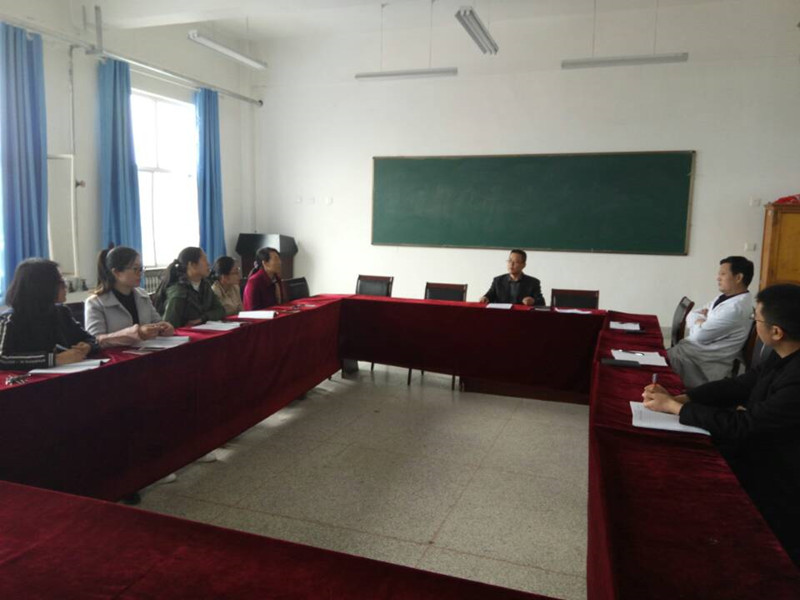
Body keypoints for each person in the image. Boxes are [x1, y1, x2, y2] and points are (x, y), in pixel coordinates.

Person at [642, 284, 800, 565]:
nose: (753, 324)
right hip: (758, 445)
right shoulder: (782, 354)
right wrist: (684, 397)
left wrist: (676, 408)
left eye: (756, 319)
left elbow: (745, 425)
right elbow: (740, 385)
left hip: (777, 477)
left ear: (777, 332)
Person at [667, 256, 754, 387]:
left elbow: (699, 335)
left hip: (699, 366)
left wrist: (701, 321)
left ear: (738, 277)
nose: (717, 278)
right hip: (688, 354)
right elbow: (692, 314)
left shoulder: (735, 308)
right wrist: (701, 322)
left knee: (645, 367)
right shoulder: (725, 297)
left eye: (723, 274)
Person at [0, 259, 100, 370]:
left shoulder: (61, 312)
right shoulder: (9, 319)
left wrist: (88, 346)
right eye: (60, 282)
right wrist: (54, 359)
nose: (65, 286)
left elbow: (90, 338)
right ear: (42, 287)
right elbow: (3, 358)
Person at [85, 246, 174, 346]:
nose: (140, 274)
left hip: (146, 350)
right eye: (135, 269)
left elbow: (157, 322)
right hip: (116, 354)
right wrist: (136, 333)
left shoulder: (142, 295)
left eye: (141, 269)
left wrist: (164, 328)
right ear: (117, 272)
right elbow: (95, 340)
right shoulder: (95, 303)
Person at [154, 247, 225, 328]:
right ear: (192, 265)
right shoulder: (179, 292)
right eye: (204, 260)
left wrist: (202, 318)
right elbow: (168, 326)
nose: (208, 264)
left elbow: (220, 310)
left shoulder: (205, 285)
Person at [479, 249, 545, 306]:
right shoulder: (498, 280)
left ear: (523, 265)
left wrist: (533, 301)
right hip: (501, 314)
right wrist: (485, 298)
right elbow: (489, 295)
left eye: (516, 262)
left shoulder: (533, 282)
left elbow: (541, 302)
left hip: (522, 315)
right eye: (510, 261)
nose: (511, 264)